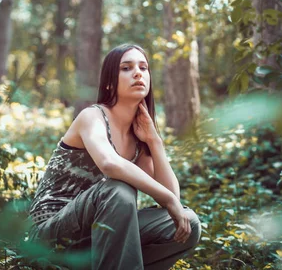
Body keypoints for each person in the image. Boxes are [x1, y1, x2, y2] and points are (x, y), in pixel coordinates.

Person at [28, 44, 201, 269]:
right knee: (119, 190)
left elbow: (172, 198)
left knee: (188, 224)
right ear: (109, 82)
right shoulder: (92, 116)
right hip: (50, 235)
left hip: (99, 237)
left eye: (143, 67)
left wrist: (154, 142)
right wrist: (169, 200)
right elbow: (110, 164)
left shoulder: (138, 139)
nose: (138, 73)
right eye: (126, 68)